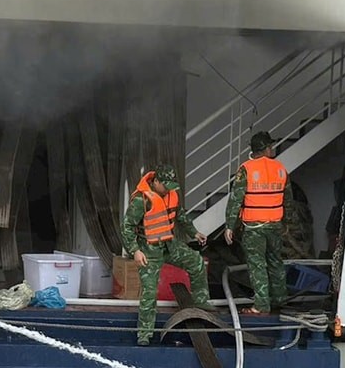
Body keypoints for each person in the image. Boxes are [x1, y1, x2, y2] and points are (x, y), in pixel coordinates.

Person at [122, 164, 211, 346]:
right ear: (155, 182)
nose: (168, 190)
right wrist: (135, 251)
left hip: (169, 245)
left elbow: (181, 216)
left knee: (196, 262)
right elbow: (126, 227)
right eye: (165, 186)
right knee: (149, 291)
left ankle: (200, 304)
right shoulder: (141, 200)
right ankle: (145, 334)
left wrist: (194, 232)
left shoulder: (172, 195)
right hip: (148, 249)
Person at [222, 131, 289, 317]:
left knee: (257, 265)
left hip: (254, 229)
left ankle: (261, 306)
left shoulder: (246, 169)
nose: (272, 149)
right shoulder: (281, 168)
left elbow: (236, 199)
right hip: (274, 225)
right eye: (271, 146)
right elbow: (288, 199)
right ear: (266, 148)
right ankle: (279, 300)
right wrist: (287, 222)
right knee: (275, 262)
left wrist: (229, 225)